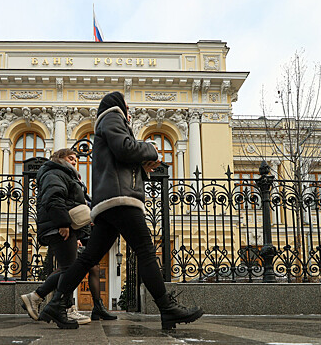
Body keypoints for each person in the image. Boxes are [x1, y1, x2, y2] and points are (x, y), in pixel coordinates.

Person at [39, 91, 204, 330]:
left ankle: (55, 303)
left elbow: (120, 159)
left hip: (111, 200)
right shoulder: (111, 117)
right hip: (120, 199)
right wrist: (151, 149)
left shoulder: (108, 124)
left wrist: (143, 165)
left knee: (88, 258)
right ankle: (167, 309)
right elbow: (125, 148)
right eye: (127, 105)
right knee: (146, 251)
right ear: (117, 105)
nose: (129, 110)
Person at [20, 148, 91, 327]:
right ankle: (60, 307)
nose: (74, 161)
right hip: (58, 227)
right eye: (70, 158)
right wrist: (63, 223)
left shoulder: (67, 175)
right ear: (59, 158)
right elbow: (53, 198)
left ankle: (37, 297)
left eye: (76, 159)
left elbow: (74, 200)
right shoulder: (55, 172)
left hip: (63, 226)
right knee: (70, 269)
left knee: (69, 268)